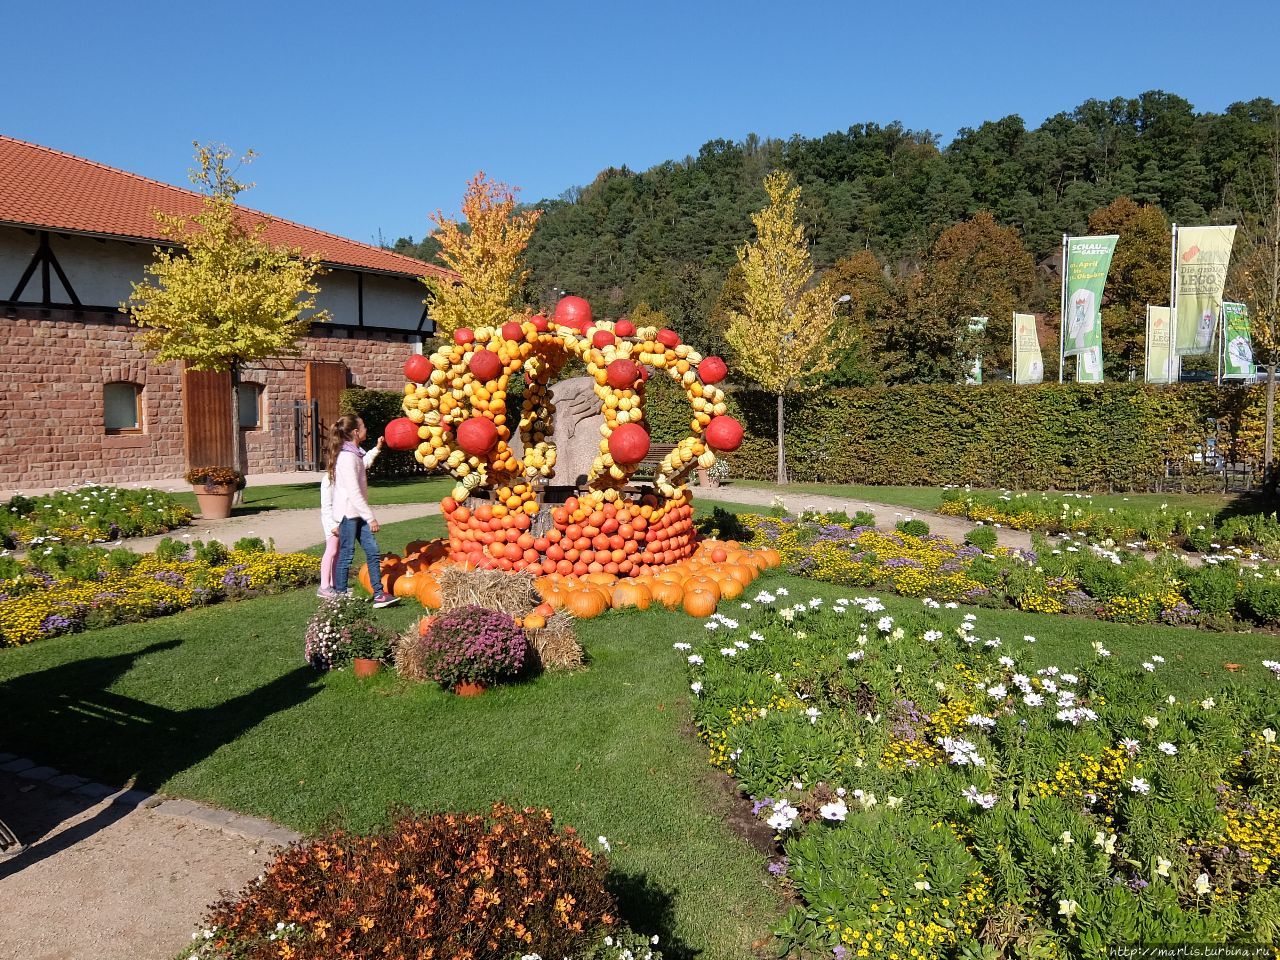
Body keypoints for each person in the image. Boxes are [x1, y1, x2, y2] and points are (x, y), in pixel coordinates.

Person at [327, 414, 398, 607]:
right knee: (347, 554)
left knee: (373, 551)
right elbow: (354, 493)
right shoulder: (346, 457)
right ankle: (340, 596)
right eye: (364, 426)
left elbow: (363, 463)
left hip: (357, 514)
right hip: (349, 515)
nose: (366, 429)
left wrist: (376, 449)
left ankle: (379, 594)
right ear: (356, 432)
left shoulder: (355, 453)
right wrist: (371, 518)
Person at [318, 433, 381, 598]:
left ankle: (336, 585)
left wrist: (376, 449)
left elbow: (363, 462)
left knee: (339, 552)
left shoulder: (344, 474)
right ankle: (324, 586)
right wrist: (333, 525)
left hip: (342, 519)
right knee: (332, 550)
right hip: (333, 522)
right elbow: (326, 506)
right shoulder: (328, 481)